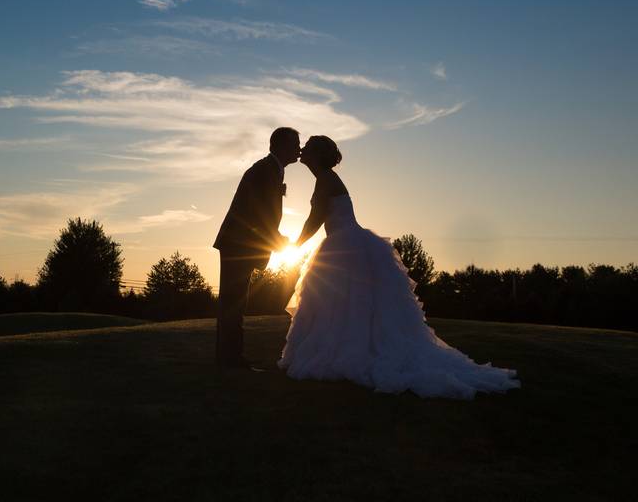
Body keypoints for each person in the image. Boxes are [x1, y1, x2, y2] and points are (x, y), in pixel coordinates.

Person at [278, 135, 520, 399]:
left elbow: (316, 218)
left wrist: (295, 244)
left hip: (344, 246)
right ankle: (348, 350)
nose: (302, 151)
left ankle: (346, 355)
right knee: (345, 307)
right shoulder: (325, 179)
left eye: (307, 148)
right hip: (348, 243)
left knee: (342, 305)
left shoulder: (325, 179)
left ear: (317, 155)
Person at [213, 127, 300, 368]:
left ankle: (228, 358)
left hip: (241, 243)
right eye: (295, 144)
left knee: (235, 303)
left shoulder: (272, 170)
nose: (299, 149)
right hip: (238, 244)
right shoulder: (265, 170)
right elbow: (258, 212)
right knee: (233, 303)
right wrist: (277, 238)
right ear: (280, 145)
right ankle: (230, 360)